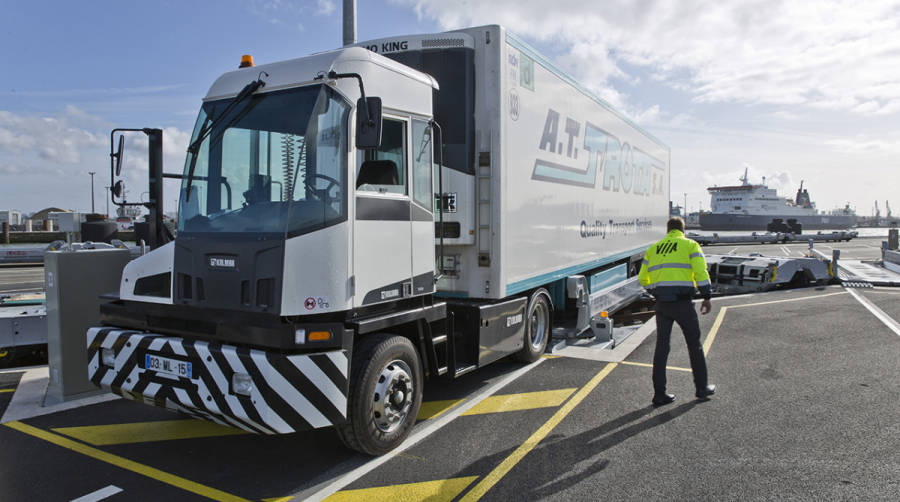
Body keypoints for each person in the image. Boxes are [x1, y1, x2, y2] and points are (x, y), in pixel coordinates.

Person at [638, 217, 717, 406]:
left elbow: (642, 278)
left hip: (662, 304)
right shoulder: (690, 245)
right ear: (683, 229)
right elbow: (700, 272)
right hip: (683, 304)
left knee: (662, 348)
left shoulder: (653, 248)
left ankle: (659, 394)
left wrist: (655, 290)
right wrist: (707, 296)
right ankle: (701, 388)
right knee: (694, 345)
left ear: (667, 230)